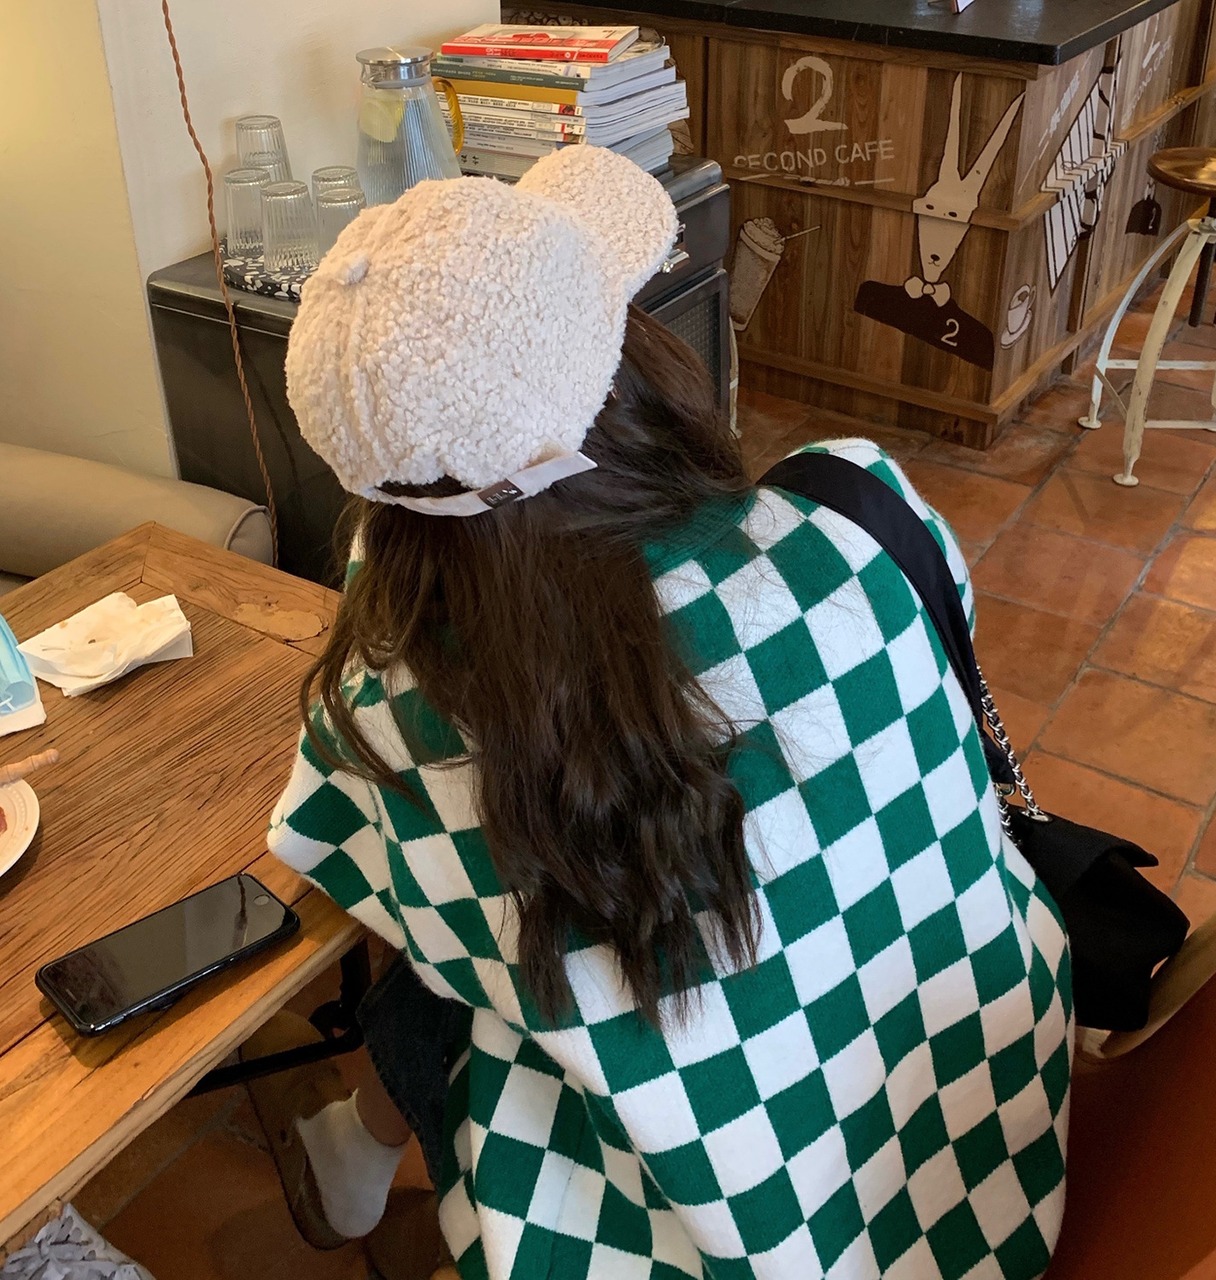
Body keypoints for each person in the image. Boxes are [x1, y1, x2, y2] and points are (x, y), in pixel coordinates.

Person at [267, 145, 1072, 1280]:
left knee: (455, 984)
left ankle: (354, 1152)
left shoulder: (408, 710)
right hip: (993, 1151)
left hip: (694, 1246)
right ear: (628, 366)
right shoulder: (857, 515)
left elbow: (352, 870)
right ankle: (356, 1151)